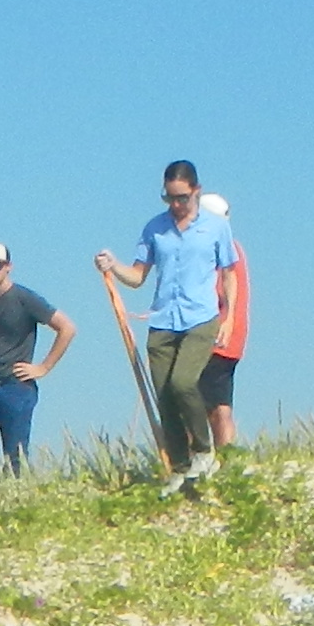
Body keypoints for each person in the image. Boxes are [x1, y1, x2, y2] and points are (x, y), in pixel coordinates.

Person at [93, 157, 240, 486]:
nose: (175, 204)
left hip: (201, 318)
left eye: (181, 198)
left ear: (196, 192)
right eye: (169, 198)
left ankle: (204, 451)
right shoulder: (154, 228)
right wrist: (112, 265)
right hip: (163, 321)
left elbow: (229, 274)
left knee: (183, 383)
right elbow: (137, 276)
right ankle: (180, 466)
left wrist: (228, 317)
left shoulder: (216, 227)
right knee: (164, 395)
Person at [0, 240, 75, 481]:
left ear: (9, 267)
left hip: (16, 385)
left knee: (15, 453)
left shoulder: (24, 298)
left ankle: (16, 497)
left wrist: (44, 367)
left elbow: (67, 328)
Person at [197, 193, 250, 450]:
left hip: (214, 338)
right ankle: (222, 459)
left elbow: (213, 294)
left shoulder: (220, 249)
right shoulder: (233, 247)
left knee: (212, 406)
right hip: (230, 339)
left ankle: (216, 460)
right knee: (216, 404)